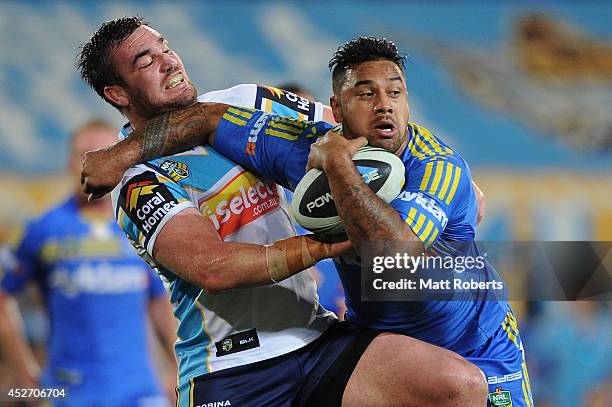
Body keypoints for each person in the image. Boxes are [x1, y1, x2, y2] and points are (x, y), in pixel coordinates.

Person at [81, 32, 532, 407]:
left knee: (456, 387)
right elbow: (213, 269)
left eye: (166, 47)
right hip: (234, 366)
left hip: (317, 340)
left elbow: (349, 120)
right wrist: (338, 239)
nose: (168, 61)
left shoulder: (243, 102)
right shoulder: (137, 181)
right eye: (146, 61)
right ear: (117, 93)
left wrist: (442, 173)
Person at [0, 120, 177, 406]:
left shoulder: (142, 225)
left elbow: (159, 304)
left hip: (141, 393)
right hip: (69, 395)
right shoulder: (42, 228)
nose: (95, 164)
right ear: (69, 164)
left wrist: (179, 369)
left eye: (106, 153)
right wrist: (26, 376)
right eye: (84, 156)